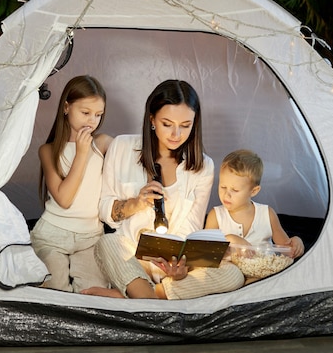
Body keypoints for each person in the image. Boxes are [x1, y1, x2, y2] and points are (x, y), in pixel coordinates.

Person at [81, 79, 244, 299]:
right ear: (152, 120)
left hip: (173, 264)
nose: (176, 134)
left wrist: (180, 267)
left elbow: (192, 227)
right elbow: (105, 211)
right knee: (107, 243)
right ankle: (149, 293)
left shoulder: (203, 167)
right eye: (167, 124)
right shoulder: (122, 147)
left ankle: (145, 296)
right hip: (132, 256)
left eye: (185, 125)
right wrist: (136, 203)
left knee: (232, 274)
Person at [31, 75, 112, 293]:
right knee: (56, 290)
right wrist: (81, 154)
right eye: (85, 113)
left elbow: (136, 154)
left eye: (98, 115)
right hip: (52, 235)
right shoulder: (48, 151)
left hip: (90, 237)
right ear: (66, 107)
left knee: (93, 292)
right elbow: (64, 199)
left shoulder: (103, 143)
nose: (92, 121)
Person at [205, 149, 305, 261]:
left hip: (262, 271)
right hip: (229, 272)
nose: (226, 195)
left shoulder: (267, 214)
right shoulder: (216, 216)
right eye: (223, 187)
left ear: (254, 191)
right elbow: (205, 252)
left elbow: (285, 249)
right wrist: (230, 239)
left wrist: (296, 243)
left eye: (235, 190)